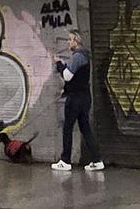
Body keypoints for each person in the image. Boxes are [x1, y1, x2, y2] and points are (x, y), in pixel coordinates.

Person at [50, 29, 104, 173]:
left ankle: (65, 161)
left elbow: (67, 76)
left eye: (70, 39)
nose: (68, 42)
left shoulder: (78, 56)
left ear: (76, 41)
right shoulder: (84, 56)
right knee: (85, 128)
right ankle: (97, 159)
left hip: (75, 99)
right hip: (85, 98)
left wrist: (59, 64)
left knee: (67, 127)